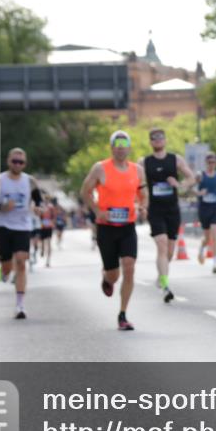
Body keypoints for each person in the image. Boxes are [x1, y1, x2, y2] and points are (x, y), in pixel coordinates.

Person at [80, 130, 148, 331]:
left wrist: (143, 206)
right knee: (114, 275)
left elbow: (144, 194)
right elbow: (85, 191)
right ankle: (106, 278)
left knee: (129, 266)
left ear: (129, 148)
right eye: (117, 146)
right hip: (106, 228)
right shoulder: (100, 168)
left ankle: (123, 314)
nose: (120, 149)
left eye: (124, 146)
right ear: (112, 148)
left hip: (128, 226)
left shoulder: (137, 170)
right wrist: (97, 211)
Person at [141, 127, 196, 302]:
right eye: (154, 138)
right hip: (155, 210)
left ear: (165, 140)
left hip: (172, 210)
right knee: (162, 245)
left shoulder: (175, 159)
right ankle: (165, 285)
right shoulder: (143, 162)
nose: (157, 141)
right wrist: (141, 205)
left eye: (160, 138)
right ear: (150, 142)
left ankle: (161, 275)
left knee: (170, 251)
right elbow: (136, 184)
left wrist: (179, 184)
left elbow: (191, 178)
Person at [0, 148, 44, 319]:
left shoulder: (30, 181)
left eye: (21, 162)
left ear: (25, 164)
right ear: (8, 161)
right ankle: (2, 266)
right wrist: (2, 207)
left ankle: (20, 305)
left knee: (21, 262)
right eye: (14, 161)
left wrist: (38, 208)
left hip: (22, 226)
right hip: (3, 226)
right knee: (7, 268)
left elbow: (39, 200)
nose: (17, 164)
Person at [195, 152, 216, 274]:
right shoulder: (200, 175)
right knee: (207, 238)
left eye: (213, 162)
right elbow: (193, 189)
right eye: (209, 162)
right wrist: (199, 193)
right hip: (204, 208)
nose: (211, 164)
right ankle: (202, 249)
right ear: (206, 163)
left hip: (215, 207)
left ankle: (215, 263)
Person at [39, 196, 55, 267]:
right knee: (44, 243)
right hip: (43, 226)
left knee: (48, 243)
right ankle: (42, 251)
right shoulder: (42, 206)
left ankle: (48, 261)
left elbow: (53, 216)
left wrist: (52, 223)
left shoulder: (50, 207)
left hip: (47, 226)